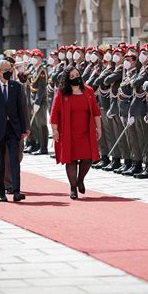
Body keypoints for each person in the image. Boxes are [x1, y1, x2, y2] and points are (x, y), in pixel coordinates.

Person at [50, 66, 102, 200]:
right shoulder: (62, 93)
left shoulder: (88, 91)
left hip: (86, 131)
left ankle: (80, 180)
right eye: (72, 76)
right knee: (71, 160)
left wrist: (99, 128)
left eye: (76, 75)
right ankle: (73, 187)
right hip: (68, 132)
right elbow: (55, 113)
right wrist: (55, 130)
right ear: (67, 79)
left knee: (88, 158)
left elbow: (96, 111)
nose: (75, 78)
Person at [0, 59, 29, 203]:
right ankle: (1, 192)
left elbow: (22, 109)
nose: (9, 72)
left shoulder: (16, 86)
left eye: (10, 69)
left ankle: (16, 191)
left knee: (14, 161)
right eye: (5, 70)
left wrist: (25, 128)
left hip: (14, 129)